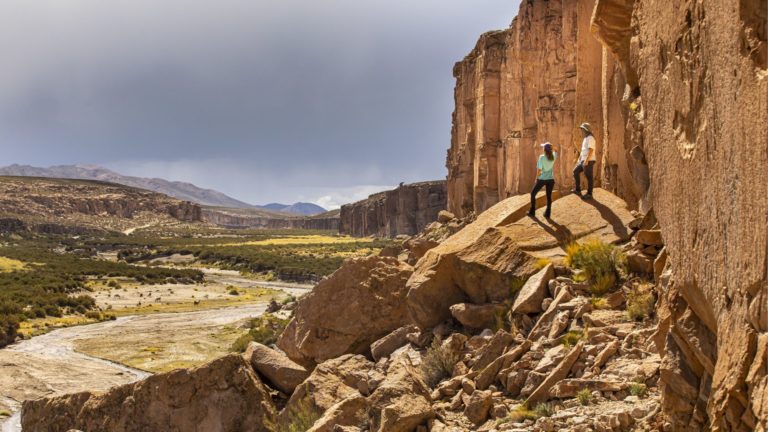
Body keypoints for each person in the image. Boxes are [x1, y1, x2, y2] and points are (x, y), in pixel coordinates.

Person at [528, 142, 557, 218]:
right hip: (550, 179)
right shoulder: (553, 156)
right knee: (548, 196)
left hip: (542, 179)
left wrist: (536, 178)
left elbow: (539, 170)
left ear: (544, 149)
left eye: (543, 147)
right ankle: (548, 213)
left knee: (533, 194)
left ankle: (532, 211)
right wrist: (552, 147)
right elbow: (556, 150)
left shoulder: (542, 157)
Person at [572, 122, 597, 199]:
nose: (581, 131)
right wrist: (579, 159)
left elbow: (591, 149)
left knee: (589, 177)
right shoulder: (585, 138)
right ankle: (578, 190)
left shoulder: (590, 138)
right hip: (583, 160)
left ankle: (589, 194)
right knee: (575, 171)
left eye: (582, 129)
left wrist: (586, 160)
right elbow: (583, 151)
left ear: (586, 130)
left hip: (588, 160)